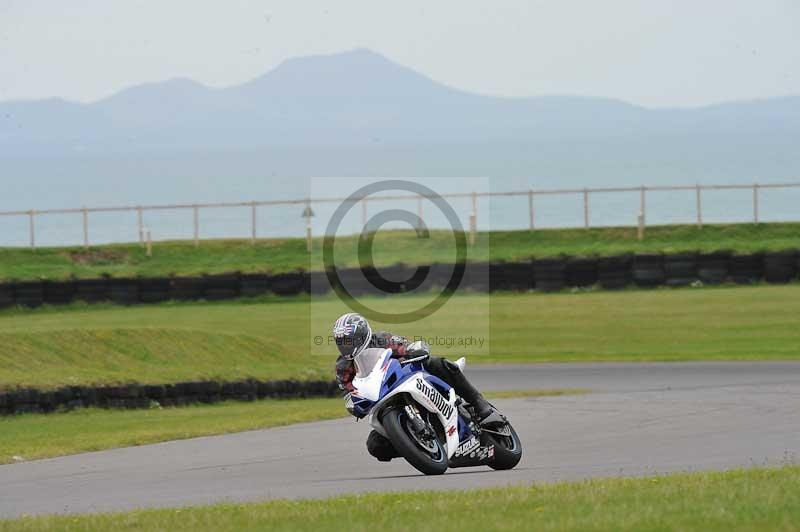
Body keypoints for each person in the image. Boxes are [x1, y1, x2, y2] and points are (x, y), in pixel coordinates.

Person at [332, 312, 500, 462]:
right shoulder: (343, 367)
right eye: (341, 342)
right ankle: (418, 446)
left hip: (407, 380)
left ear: (362, 335)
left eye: (349, 340)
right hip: (383, 400)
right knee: (375, 445)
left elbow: (406, 346)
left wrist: (415, 350)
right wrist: (354, 405)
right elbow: (349, 393)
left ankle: (479, 404)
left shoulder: (382, 339)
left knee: (437, 363)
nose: (346, 345)